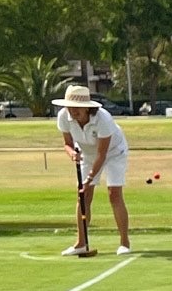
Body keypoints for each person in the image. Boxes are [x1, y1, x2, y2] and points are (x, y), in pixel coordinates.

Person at [53, 86, 132, 255]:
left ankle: (124, 242)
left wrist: (89, 179)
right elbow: (67, 143)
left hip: (113, 153)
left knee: (114, 193)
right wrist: (72, 153)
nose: (73, 111)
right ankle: (81, 243)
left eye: (77, 107)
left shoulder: (103, 119)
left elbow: (102, 154)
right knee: (83, 196)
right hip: (87, 155)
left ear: (87, 107)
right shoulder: (63, 117)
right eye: (69, 106)